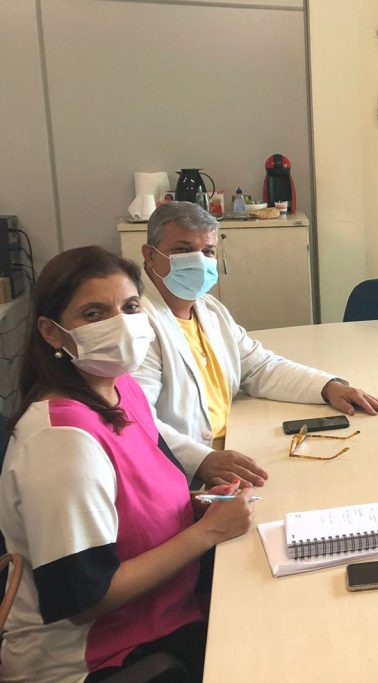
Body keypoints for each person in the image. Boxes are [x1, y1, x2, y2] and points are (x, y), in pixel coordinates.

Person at [0, 246, 255, 682]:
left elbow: (137, 499)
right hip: (96, 660)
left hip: (165, 614)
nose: (120, 323)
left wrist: (198, 506)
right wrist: (208, 531)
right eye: (94, 313)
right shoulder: (61, 440)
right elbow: (85, 599)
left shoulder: (122, 391)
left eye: (131, 307)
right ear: (51, 332)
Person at [135, 202, 378, 488]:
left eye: (207, 252)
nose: (198, 261)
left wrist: (328, 386)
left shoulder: (209, 309)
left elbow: (260, 368)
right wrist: (201, 460)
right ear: (150, 255)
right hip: (185, 473)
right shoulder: (137, 324)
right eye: (183, 250)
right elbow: (136, 418)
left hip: (234, 445)